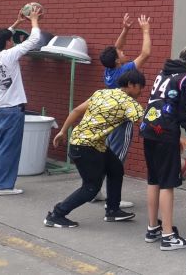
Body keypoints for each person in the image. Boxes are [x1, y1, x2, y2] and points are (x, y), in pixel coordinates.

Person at [45, 69, 146, 227]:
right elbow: (147, 124)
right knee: (91, 188)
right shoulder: (129, 103)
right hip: (87, 148)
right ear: (131, 85)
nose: (141, 91)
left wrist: (63, 131)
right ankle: (56, 215)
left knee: (116, 168)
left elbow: (77, 110)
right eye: (140, 87)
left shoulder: (101, 93)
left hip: (84, 143)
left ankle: (113, 210)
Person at [141, 39, 186, 251]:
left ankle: (153, 227)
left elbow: (160, 104)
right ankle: (168, 236)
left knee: (153, 180)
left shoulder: (164, 72)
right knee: (167, 183)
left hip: (149, 129)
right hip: (165, 134)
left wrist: (176, 135)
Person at [0, 5, 43, 195]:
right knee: (8, 149)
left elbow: (0, 37)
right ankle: (3, 186)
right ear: (8, 43)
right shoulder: (9, 55)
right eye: (10, 39)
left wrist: (17, 23)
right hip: (12, 110)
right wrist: (33, 19)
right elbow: (34, 40)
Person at [95, 13, 152, 207]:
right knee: (117, 160)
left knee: (106, 154)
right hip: (122, 120)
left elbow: (117, 48)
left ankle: (96, 191)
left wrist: (126, 29)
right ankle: (113, 201)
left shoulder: (109, 71)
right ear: (118, 62)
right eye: (120, 54)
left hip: (109, 118)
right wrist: (145, 30)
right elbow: (145, 54)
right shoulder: (124, 71)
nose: (122, 51)